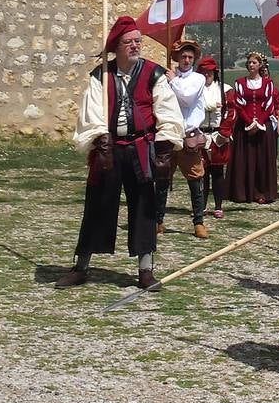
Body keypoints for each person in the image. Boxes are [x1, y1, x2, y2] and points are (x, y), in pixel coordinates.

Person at [55, 16, 183, 291]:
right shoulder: (101, 74)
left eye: (138, 41)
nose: (135, 45)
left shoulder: (155, 74)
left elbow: (168, 113)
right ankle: (81, 266)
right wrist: (101, 144)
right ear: (117, 46)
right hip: (109, 149)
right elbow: (92, 112)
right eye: (129, 41)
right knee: (97, 205)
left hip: (141, 148)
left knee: (144, 208)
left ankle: (145, 270)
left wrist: (163, 151)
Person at [167, 39, 211, 239]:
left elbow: (186, 97)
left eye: (190, 57)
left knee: (195, 180)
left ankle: (198, 222)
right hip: (169, 134)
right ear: (177, 57)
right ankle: (158, 220)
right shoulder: (168, 77)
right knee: (161, 179)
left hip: (189, 136)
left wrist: (172, 80)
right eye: (183, 56)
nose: (186, 60)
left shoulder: (198, 79)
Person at [227, 52, 279, 204]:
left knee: (262, 160)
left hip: (263, 127)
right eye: (249, 62)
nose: (251, 65)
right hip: (244, 126)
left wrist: (259, 123)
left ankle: (262, 192)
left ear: (260, 65)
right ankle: (243, 192)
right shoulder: (239, 82)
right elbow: (238, 104)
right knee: (245, 159)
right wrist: (248, 122)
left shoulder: (268, 84)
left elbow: (269, 104)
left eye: (254, 63)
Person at [198, 56, 230, 220]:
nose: (207, 75)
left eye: (209, 72)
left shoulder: (225, 90)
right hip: (200, 133)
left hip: (219, 135)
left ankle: (218, 206)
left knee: (218, 173)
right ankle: (200, 206)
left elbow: (232, 112)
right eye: (204, 72)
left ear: (214, 72)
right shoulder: (194, 90)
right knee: (201, 173)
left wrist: (224, 133)